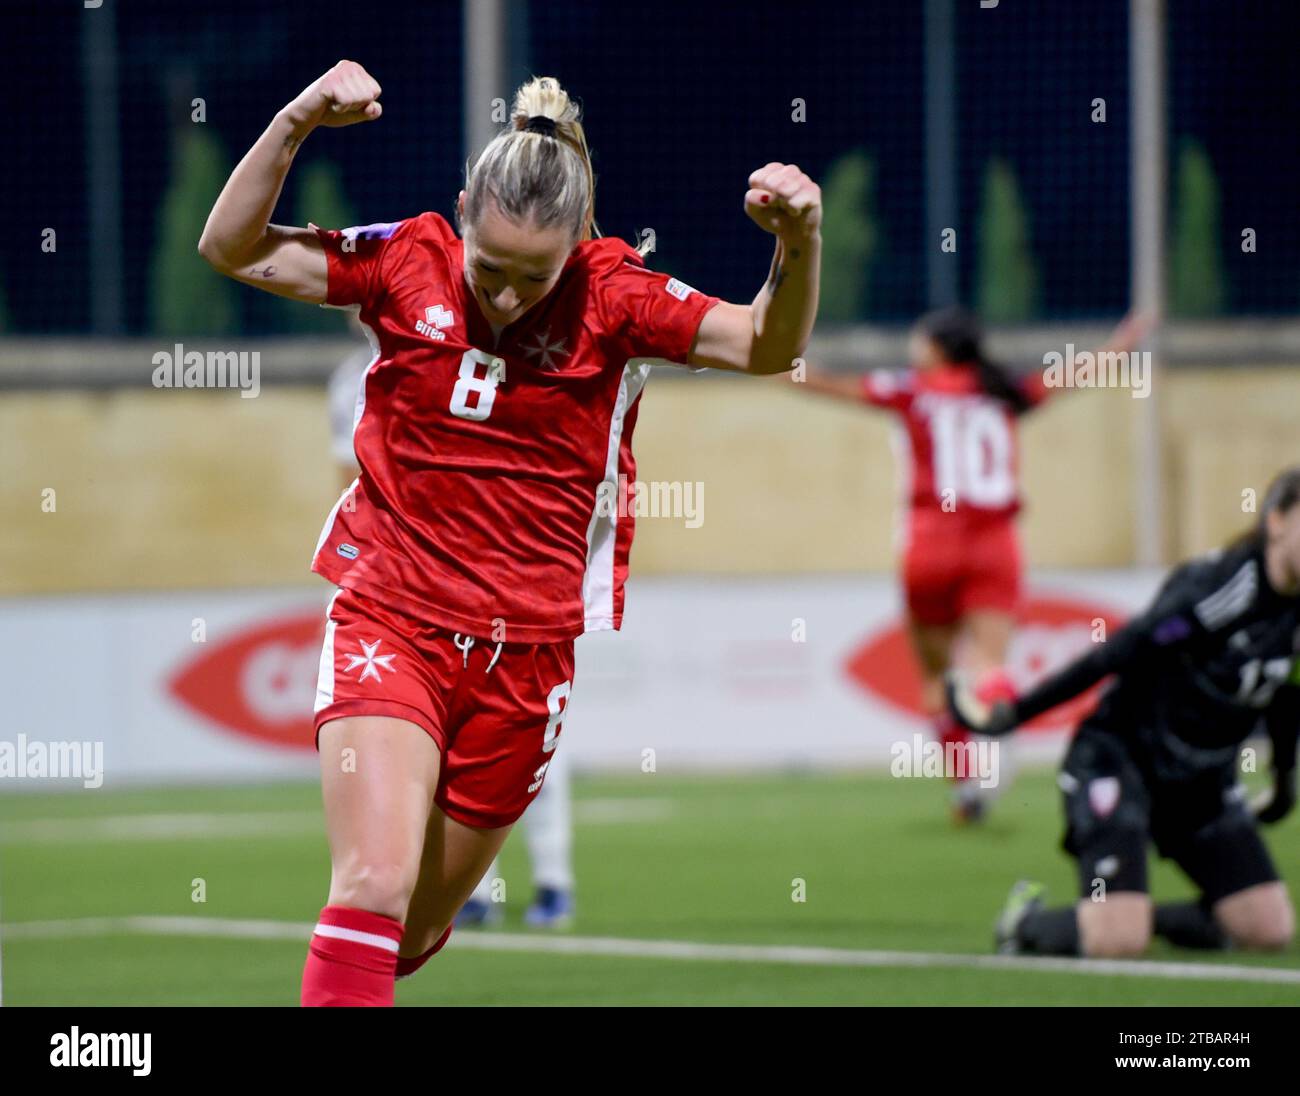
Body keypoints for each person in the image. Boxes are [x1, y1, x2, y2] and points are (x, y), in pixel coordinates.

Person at [198, 60, 821, 1005]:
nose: (506, 296)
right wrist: (296, 120)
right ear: (458, 214)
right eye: (489, 268)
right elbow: (232, 248)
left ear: (579, 243)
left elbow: (769, 344)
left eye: (537, 274)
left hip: (527, 655)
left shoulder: (618, 297)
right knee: (371, 886)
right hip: (390, 616)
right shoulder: (406, 261)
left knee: (406, 934)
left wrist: (800, 243)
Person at [797, 307, 1147, 821]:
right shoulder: (1004, 393)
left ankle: (966, 785)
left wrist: (768, 359)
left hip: (930, 545)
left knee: (938, 676)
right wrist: (1119, 346)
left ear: (938, 349)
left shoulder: (912, 391)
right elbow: (1070, 377)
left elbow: (827, 385)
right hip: (994, 545)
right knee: (988, 665)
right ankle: (999, 735)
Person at [948, 466, 1300, 958]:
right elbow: (1114, 654)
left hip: (1203, 782)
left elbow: (1287, 693)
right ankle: (1027, 922)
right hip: (1120, 760)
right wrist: (1016, 712)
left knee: (1269, 929)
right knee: (1117, 939)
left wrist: (1284, 779)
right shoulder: (1215, 591)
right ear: (1277, 521)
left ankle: (1135, 914)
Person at [330, 342, 577, 930]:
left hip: (520, 592)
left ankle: (553, 877)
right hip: (414, 590)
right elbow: (355, 475)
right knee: (428, 748)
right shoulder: (356, 377)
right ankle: (475, 891)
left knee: (528, 750)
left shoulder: (546, 358)